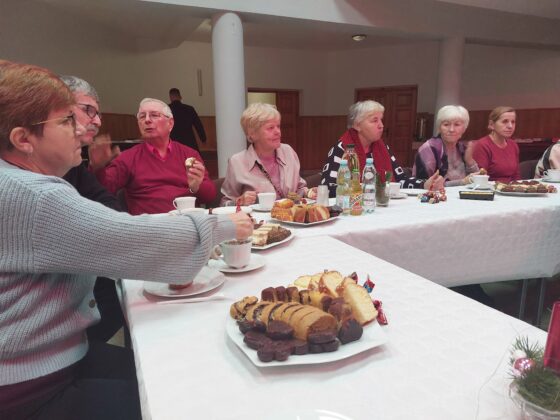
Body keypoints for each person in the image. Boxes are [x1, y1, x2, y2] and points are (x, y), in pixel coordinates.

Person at [0, 60, 252, 419]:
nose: (81, 129)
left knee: (168, 365)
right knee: (186, 397)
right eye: (67, 120)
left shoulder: (15, 182)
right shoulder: (35, 195)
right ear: (23, 139)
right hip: (31, 386)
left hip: (52, 357)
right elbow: (130, 238)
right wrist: (223, 225)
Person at [60, 75, 128, 345]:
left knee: (124, 299)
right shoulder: (24, 178)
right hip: (44, 344)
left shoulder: (73, 164)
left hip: (89, 271)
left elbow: (108, 204)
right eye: (88, 110)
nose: (97, 121)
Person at [89, 98, 216, 215]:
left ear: (170, 123)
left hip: (187, 223)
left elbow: (209, 196)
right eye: (142, 116)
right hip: (149, 226)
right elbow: (102, 191)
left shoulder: (189, 154)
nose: (147, 120)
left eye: (154, 115)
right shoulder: (128, 157)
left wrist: (196, 187)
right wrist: (97, 168)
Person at [320, 100, 444, 196]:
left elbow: (400, 180)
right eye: (374, 121)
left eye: (381, 120)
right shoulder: (342, 149)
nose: (381, 125)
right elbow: (327, 187)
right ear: (357, 125)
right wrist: (364, 189)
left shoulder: (383, 147)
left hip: (381, 206)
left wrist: (424, 184)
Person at [221, 102, 316, 206]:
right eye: (270, 128)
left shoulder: (288, 151)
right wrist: (239, 201)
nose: (278, 132)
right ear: (252, 134)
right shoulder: (237, 162)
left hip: (289, 215)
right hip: (257, 217)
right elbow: (224, 204)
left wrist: (309, 193)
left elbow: (299, 188)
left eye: (278, 126)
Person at [413, 105, 480, 186]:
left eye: (457, 124)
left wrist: (469, 161)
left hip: (463, 193)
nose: (451, 129)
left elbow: (477, 180)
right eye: (446, 124)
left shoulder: (462, 148)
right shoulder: (429, 149)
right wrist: (462, 182)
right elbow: (427, 185)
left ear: (464, 128)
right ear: (439, 128)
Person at [472, 106, 521, 183]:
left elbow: (516, 175)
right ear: (492, 125)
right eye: (505, 121)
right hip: (491, 188)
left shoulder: (513, 145)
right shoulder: (482, 145)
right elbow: (481, 177)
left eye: (513, 122)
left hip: (511, 188)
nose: (510, 126)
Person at [168, 87, 207, 152]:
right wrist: (203, 139)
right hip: (189, 142)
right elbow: (198, 125)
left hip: (173, 142)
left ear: (170, 97)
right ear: (180, 97)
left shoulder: (167, 110)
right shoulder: (189, 109)